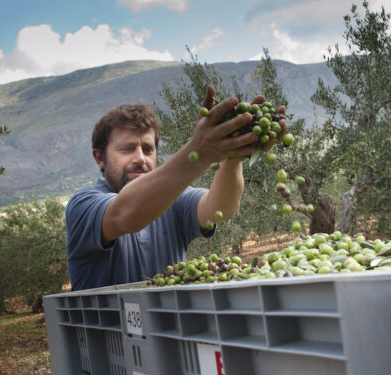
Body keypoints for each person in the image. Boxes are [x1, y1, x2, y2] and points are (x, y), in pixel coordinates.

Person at [66, 85, 285, 291]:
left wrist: (233, 156)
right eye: (127, 149)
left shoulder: (173, 198)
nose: (140, 158)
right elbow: (125, 212)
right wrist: (200, 150)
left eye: (148, 149)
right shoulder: (83, 204)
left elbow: (220, 208)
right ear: (99, 158)